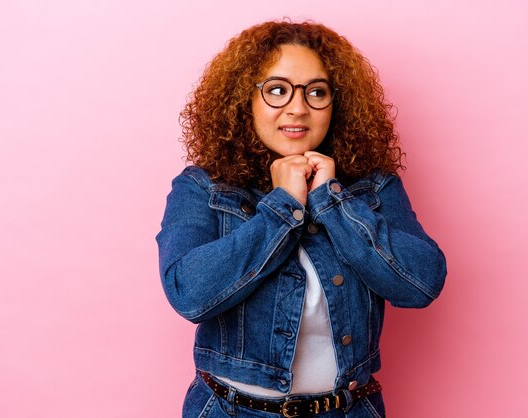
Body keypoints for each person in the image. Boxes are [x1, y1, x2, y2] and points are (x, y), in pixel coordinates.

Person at [156, 20, 447, 418]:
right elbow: (190, 295)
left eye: (316, 92)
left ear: (335, 103)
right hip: (232, 411)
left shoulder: (373, 188)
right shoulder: (203, 188)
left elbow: (420, 284)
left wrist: (331, 201)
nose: (298, 107)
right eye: (277, 90)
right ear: (246, 101)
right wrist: (283, 205)